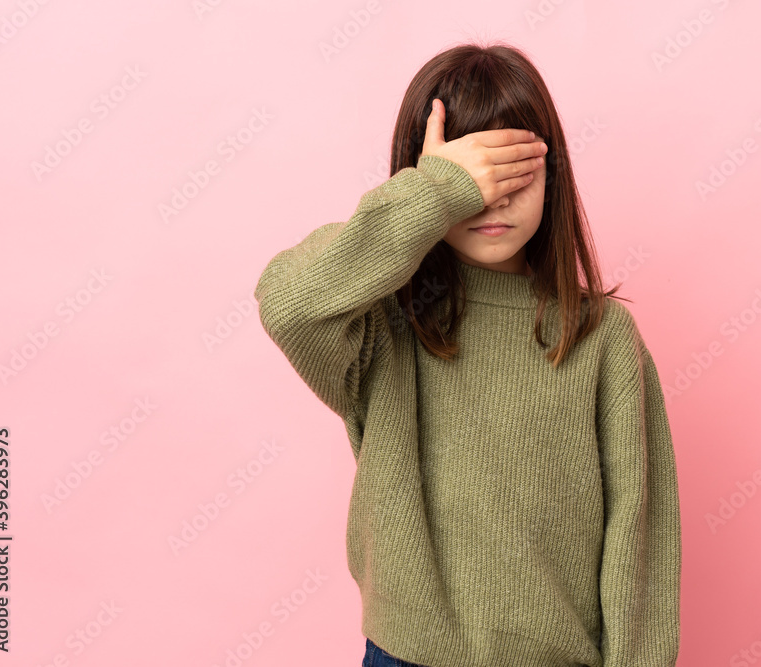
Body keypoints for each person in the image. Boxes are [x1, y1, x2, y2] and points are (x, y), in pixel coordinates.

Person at [253, 41, 681, 667]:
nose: (493, 198)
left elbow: (638, 539)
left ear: (551, 174)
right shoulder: (383, 325)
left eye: (512, 170)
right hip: (408, 654)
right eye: (472, 175)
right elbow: (288, 300)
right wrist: (432, 193)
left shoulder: (604, 339)